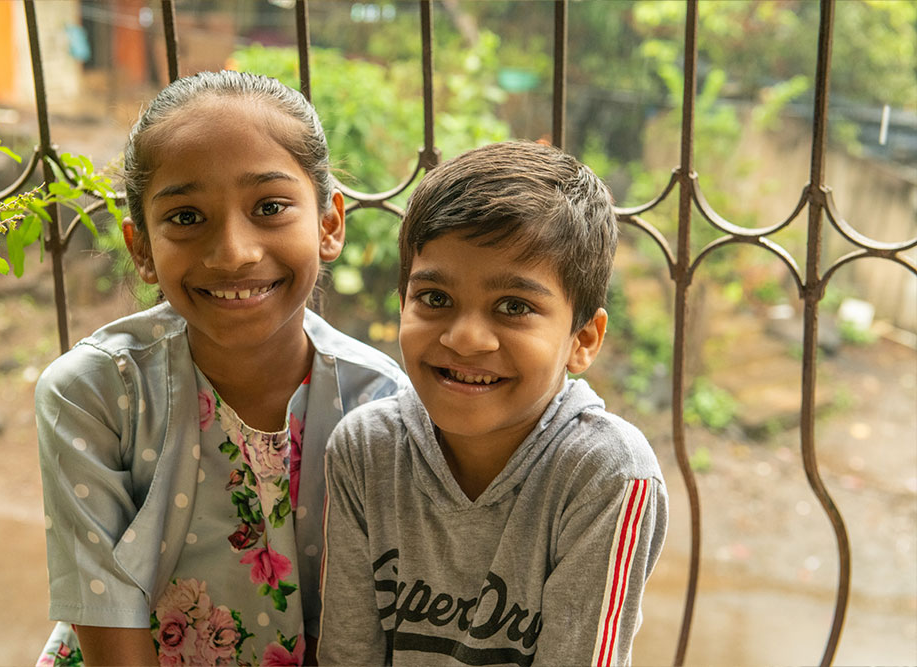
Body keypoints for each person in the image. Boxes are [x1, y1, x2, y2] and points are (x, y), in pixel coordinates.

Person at [35, 70, 405, 666]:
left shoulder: (381, 402)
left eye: (270, 206)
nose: (233, 251)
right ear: (142, 248)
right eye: (185, 216)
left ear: (329, 224)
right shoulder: (97, 393)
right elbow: (106, 620)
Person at [318, 141, 668, 666]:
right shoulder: (366, 449)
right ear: (402, 304)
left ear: (584, 340)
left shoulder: (608, 476)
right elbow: (348, 655)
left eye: (513, 306)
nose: (465, 339)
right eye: (435, 298)